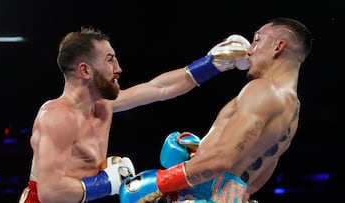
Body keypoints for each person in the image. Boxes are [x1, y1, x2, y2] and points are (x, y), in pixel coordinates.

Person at [18, 26, 251, 203]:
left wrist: (213, 63)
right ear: (85, 70)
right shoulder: (57, 116)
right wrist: (107, 182)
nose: (118, 68)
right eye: (110, 60)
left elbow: (160, 88)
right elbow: (50, 191)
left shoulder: (104, 106)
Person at [119, 17, 313, 203]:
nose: (250, 50)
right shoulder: (292, 111)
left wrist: (160, 182)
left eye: (257, 39)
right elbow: (256, 180)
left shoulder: (262, 90)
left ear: (278, 46)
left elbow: (221, 159)